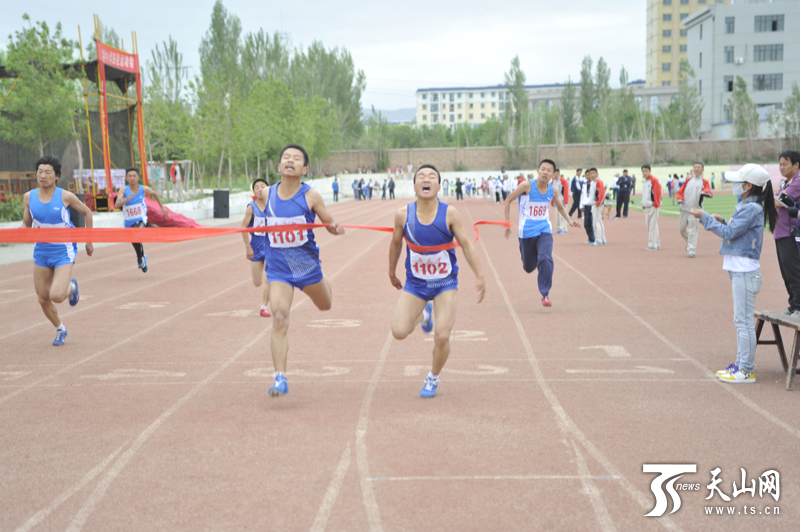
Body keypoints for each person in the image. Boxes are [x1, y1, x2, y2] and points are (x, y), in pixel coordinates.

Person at [388, 164, 485, 398]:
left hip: (445, 283)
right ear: (414, 185)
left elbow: (465, 245)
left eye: (432, 176)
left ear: (439, 186)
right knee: (399, 331)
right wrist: (391, 272)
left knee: (442, 335)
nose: (426, 179)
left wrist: (479, 275)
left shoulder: (449, 213)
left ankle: (433, 377)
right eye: (421, 176)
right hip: (416, 283)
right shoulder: (403, 214)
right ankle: (424, 315)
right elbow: (396, 244)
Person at [264, 144, 345, 397]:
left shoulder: (311, 197)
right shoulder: (265, 195)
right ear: (278, 167)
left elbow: (327, 221)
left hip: (306, 267)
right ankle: (280, 378)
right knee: (279, 317)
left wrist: (333, 227)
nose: (290, 161)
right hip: (278, 269)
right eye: (286, 157)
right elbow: (253, 216)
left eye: (296, 159)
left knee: (325, 305)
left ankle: (323, 278)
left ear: (305, 169)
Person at [690, 164, 776, 383]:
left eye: (738, 182)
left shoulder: (750, 208)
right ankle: (741, 363)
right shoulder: (749, 205)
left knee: (744, 322)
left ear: (748, 186)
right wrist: (723, 221)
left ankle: (746, 369)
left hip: (745, 273)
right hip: (741, 271)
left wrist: (706, 218)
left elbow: (729, 233)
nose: (733, 186)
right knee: (742, 321)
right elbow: (736, 231)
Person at [22, 155, 95, 346]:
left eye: (47, 172)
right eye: (39, 172)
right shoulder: (29, 197)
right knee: (43, 298)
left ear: (57, 176)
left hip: (64, 250)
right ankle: (60, 329)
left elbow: (87, 212)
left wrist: (89, 241)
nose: (43, 176)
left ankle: (71, 287)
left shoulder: (65, 196)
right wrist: (15, 233)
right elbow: (26, 224)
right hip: (42, 251)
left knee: (56, 295)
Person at [505, 159, 580, 307]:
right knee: (528, 267)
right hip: (526, 233)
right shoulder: (527, 185)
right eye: (543, 169)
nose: (545, 172)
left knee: (545, 258)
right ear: (538, 171)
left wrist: (569, 221)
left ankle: (545, 293)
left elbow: (559, 207)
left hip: (544, 230)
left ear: (553, 174)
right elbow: (508, 200)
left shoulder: (553, 190)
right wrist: (507, 222)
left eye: (549, 170)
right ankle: (534, 264)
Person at [114, 167, 167, 272]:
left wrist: (162, 207)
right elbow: (116, 204)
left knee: (136, 232)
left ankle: (140, 258)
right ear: (127, 178)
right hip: (128, 221)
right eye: (130, 176)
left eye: (134, 176)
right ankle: (141, 257)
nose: (132, 178)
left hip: (140, 218)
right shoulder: (124, 190)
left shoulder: (143, 189)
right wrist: (126, 200)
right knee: (133, 239)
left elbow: (155, 193)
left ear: (138, 177)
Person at [774, 150, 800, 316]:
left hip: (791, 233)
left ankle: (798, 306)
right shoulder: (785, 183)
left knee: (794, 270)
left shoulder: (798, 181)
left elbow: (777, 201)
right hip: (780, 233)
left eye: (785, 164)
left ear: (796, 165)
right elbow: (777, 199)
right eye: (780, 164)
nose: (781, 167)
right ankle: (793, 304)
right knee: (786, 272)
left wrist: (771, 198)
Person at [241, 178, 272, 317]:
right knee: (257, 283)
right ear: (253, 191)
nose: (260, 189)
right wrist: (248, 247)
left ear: (268, 188)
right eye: (257, 187)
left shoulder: (274, 205)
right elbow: (243, 227)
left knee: (271, 278)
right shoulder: (251, 207)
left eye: (262, 186)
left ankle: (264, 306)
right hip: (256, 246)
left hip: (272, 246)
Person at [677, 162, 712, 258]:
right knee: (681, 229)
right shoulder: (688, 180)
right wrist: (680, 198)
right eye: (695, 167)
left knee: (693, 230)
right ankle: (689, 243)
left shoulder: (704, 182)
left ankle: (691, 249)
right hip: (684, 209)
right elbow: (680, 191)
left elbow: (708, 190)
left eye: (699, 167)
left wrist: (706, 193)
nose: (696, 169)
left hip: (695, 211)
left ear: (702, 169)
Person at [580, 168, 606, 245]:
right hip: (594, 203)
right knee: (599, 222)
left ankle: (598, 240)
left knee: (596, 222)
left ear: (597, 174)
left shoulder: (599, 182)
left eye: (593, 173)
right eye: (590, 173)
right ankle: (602, 239)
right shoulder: (593, 182)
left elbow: (602, 194)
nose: (591, 175)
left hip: (596, 204)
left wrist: (597, 203)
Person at [640, 164, 662, 251]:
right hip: (647, 206)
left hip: (653, 206)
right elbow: (645, 194)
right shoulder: (644, 181)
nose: (644, 173)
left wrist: (656, 203)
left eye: (646, 171)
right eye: (643, 171)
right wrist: (644, 204)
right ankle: (657, 243)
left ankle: (652, 244)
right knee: (650, 226)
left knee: (652, 226)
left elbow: (657, 192)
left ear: (650, 171)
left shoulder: (654, 180)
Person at [551, 168, 570, 234]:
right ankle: (559, 228)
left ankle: (564, 228)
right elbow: (552, 192)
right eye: (554, 174)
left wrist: (565, 201)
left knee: (562, 215)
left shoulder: (563, 181)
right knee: (557, 216)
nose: (555, 175)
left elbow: (566, 191)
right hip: (557, 201)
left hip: (562, 201)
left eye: (557, 174)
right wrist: (552, 202)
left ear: (559, 174)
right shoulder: (553, 182)